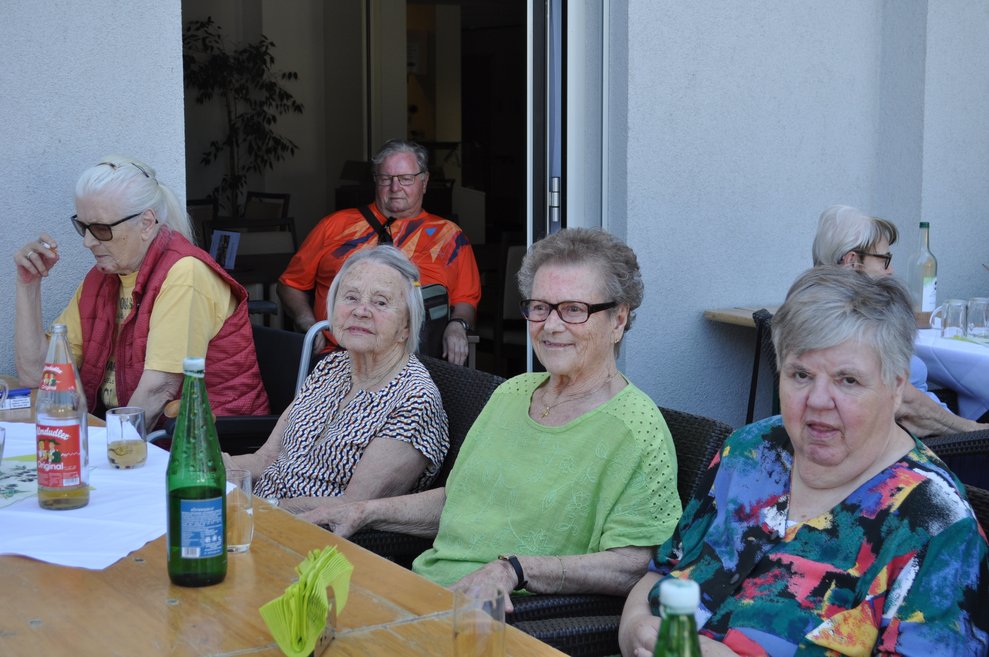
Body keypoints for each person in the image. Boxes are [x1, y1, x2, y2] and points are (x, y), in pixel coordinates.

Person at [300, 228, 681, 609]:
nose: (550, 325)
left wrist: (515, 570)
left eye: (574, 309)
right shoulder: (512, 394)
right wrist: (362, 511)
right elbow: (460, 500)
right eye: (540, 307)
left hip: (510, 621)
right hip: (424, 593)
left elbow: (634, 566)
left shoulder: (635, 429)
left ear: (618, 320)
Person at [619, 266, 989, 657]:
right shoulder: (750, 451)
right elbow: (662, 570)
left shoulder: (934, 526)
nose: (817, 400)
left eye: (847, 380)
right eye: (800, 374)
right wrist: (635, 629)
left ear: (897, 387)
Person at [13, 156, 268, 427]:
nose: (88, 242)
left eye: (101, 229)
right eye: (83, 226)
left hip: (205, 444)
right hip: (141, 437)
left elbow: (158, 391)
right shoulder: (103, 278)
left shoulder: (184, 274)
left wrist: (102, 448)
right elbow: (38, 376)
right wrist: (28, 285)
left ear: (147, 223)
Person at [226, 246, 449, 511]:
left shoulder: (414, 401)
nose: (361, 311)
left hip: (318, 538)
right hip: (259, 513)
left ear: (406, 326)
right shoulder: (331, 367)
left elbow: (351, 506)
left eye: (380, 302)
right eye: (351, 297)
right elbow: (266, 458)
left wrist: (256, 509)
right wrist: (213, 468)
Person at [277, 139, 481, 365]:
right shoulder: (333, 226)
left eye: (406, 179)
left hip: (418, 362)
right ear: (376, 181)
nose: (395, 188)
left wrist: (457, 325)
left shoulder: (450, 237)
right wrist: (308, 323)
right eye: (386, 179)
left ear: (424, 182)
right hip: (339, 357)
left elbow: (465, 301)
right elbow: (290, 284)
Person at [810, 204, 987, 436]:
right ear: (853, 261)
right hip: (929, 449)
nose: (890, 270)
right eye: (885, 259)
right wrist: (972, 431)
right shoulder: (848, 324)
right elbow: (905, 404)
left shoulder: (823, 309)